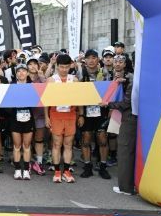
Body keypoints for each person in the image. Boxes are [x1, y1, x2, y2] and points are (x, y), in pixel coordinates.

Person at [45, 54, 81, 183]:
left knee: (68, 144)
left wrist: (81, 114)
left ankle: (66, 171)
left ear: (70, 66)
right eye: (61, 67)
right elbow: (46, 100)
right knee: (56, 144)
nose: (64, 70)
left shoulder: (74, 80)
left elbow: (80, 99)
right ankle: (57, 171)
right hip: (55, 114)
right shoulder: (51, 80)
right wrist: (46, 117)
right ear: (57, 66)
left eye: (66, 67)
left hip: (70, 115)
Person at [78, 49, 112, 180]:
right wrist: (81, 115)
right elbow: (77, 95)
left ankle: (103, 166)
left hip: (101, 110)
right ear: (85, 60)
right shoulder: (81, 73)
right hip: (86, 111)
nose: (91, 60)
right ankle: (87, 166)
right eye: (88, 58)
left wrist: (110, 108)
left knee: (102, 139)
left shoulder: (104, 73)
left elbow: (110, 92)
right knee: (86, 138)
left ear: (98, 59)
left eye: (94, 58)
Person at [106, 54, 136, 195]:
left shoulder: (131, 78)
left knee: (124, 150)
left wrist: (108, 104)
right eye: (115, 61)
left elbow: (125, 103)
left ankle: (126, 187)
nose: (117, 64)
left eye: (121, 61)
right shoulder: (116, 76)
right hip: (121, 115)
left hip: (128, 117)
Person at [11, 64, 35, 180]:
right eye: (19, 71)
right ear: (16, 74)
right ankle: (17, 170)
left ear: (27, 73)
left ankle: (26, 170)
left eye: (24, 71)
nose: (21, 73)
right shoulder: (11, 86)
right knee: (17, 146)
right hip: (15, 118)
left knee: (26, 145)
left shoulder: (32, 86)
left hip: (28, 118)